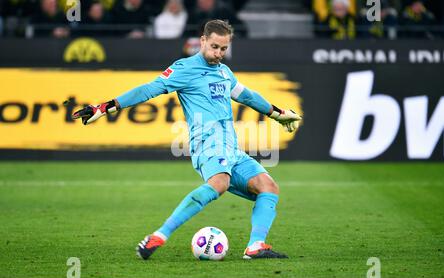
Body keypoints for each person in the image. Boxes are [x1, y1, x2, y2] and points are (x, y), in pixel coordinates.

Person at [72, 19, 302, 260]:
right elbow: (148, 89)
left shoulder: (224, 72)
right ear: (202, 40)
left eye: (223, 49)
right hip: (208, 145)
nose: (218, 54)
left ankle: (256, 246)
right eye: (214, 47)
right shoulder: (184, 68)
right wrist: (107, 106)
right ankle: (159, 235)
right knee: (220, 183)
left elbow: (248, 97)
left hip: (232, 149)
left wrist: (279, 114)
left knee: (268, 187)